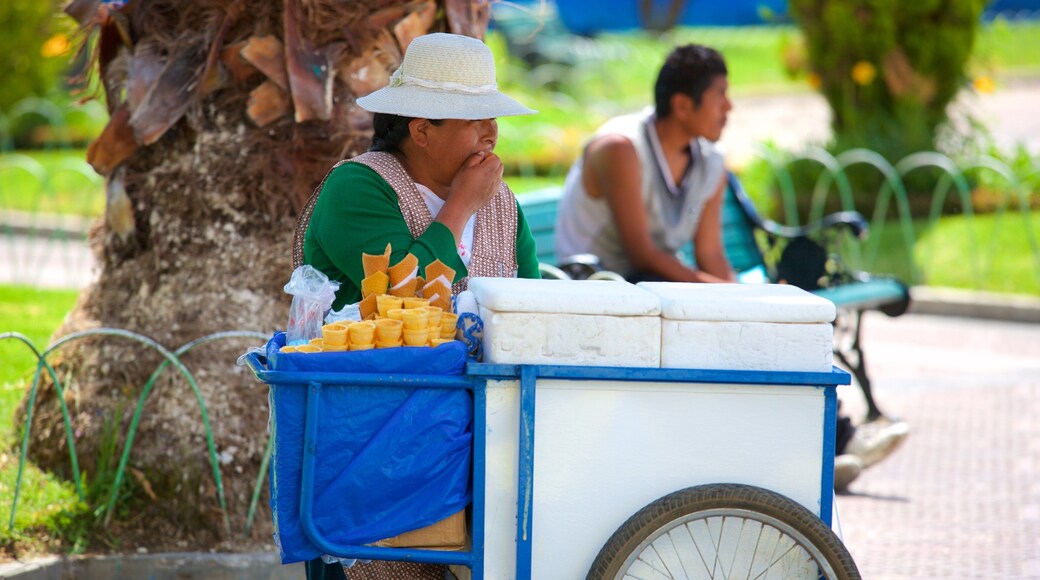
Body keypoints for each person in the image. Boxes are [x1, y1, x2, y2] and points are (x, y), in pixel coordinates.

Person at [554, 43, 908, 492]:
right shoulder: (620, 148)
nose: (730, 106)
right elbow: (642, 253)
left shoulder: (709, 165)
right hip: (595, 288)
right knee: (730, 322)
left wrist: (749, 302)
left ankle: (824, 446)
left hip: (651, 288)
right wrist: (729, 296)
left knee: (765, 324)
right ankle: (816, 452)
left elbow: (711, 256)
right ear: (683, 105)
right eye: (720, 94)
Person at [300, 32, 540, 579]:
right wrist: (460, 207)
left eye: (492, 117)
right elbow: (401, 297)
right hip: (372, 444)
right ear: (422, 130)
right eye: (473, 120)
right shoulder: (358, 189)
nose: (491, 132)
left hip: (483, 445)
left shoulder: (503, 207)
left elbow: (531, 305)